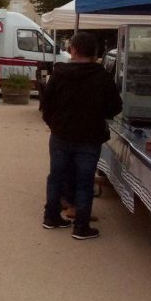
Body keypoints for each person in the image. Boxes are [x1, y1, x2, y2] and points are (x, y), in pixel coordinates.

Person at [41, 31, 122, 240]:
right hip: (89, 137)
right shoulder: (103, 77)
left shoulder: (59, 74)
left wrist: (54, 124)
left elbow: (46, 104)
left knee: (56, 176)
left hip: (60, 135)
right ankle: (81, 226)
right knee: (85, 181)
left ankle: (51, 216)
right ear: (95, 52)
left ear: (73, 50)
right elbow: (114, 107)